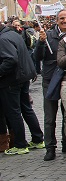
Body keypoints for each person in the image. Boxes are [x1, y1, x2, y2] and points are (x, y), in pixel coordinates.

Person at [0, 22, 44, 155]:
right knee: (26, 109)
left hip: (11, 80)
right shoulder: (13, 34)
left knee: (13, 112)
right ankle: (38, 139)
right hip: (23, 77)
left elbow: (11, 59)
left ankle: (20, 144)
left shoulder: (2, 39)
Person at [35, 8, 66, 160]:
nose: (65, 21)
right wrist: (40, 42)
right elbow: (37, 57)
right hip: (50, 80)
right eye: (62, 18)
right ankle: (50, 147)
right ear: (56, 20)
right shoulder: (48, 35)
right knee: (50, 117)